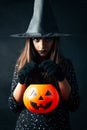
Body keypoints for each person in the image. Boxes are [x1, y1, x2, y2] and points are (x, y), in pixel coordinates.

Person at [8, 0, 80, 130]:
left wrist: (61, 77)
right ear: (30, 41)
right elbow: (13, 106)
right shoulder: (21, 64)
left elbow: (74, 104)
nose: (42, 46)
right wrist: (21, 80)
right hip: (26, 127)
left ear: (54, 40)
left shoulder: (65, 64)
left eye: (47, 39)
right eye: (36, 40)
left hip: (59, 127)